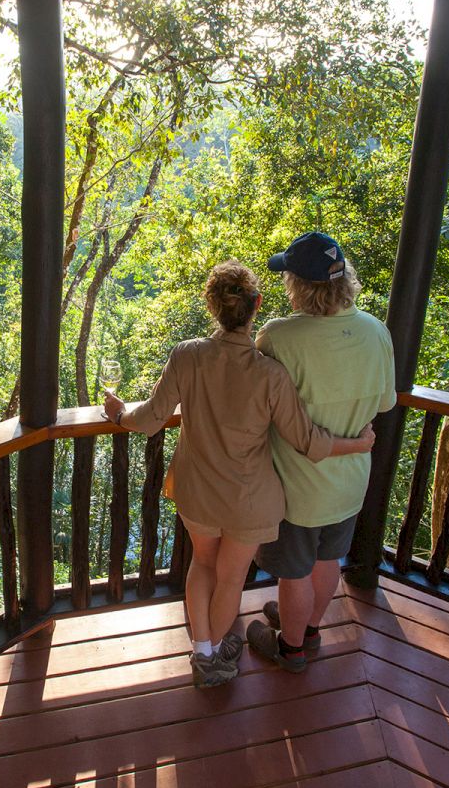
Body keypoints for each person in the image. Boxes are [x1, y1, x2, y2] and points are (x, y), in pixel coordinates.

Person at [103, 259, 374, 688]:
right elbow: (308, 441)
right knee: (231, 578)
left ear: (212, 307)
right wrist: (358, 445)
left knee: (202, 565)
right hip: (250, 500)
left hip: (197, 489)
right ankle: (214, 657)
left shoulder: (187, 356)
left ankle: (204, 652)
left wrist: (119, 413)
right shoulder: (271, 374)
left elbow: (151, 417)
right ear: (257, 305)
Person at [247, 232, 396, 673]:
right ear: (344, 278)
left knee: (293, 573)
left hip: (298, 484)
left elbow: (254, 398)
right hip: (351, 480)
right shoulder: (376, 331)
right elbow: (384, 404)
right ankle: (310, 627)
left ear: (298, 286)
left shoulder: (280, 336)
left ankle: (290, 648)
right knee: (328, 559)